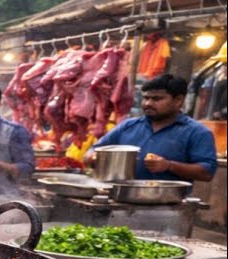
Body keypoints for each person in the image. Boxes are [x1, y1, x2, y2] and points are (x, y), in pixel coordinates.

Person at [84, 74, 216, 182]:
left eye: (156, 99)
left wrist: (169, 165)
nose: (148, 103)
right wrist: (92, 157)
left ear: (178, 101)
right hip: (121, 197)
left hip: (168, 202)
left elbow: (207, 173)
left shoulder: (197, 132)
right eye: (146, 98)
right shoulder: (128, 126)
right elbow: (93, 151)